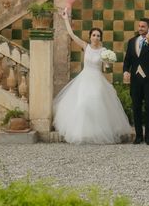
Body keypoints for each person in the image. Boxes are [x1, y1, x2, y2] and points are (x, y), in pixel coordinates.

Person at [53, 8, 131, 144]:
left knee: (96, 103)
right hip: (84, 79)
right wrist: (65, 19)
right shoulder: (85, 46)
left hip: (97, 80)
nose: (96, 37)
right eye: (94, 35)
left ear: (100, 38)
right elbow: (71, 35)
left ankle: (98, 133)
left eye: (98, 36)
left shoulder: (104, 51)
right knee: (83, 103)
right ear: (90, 36)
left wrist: (107, 64)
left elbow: (107, 69)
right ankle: (83, 133)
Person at [123, 18, 149, 145]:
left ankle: (148, 137)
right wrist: (125, 71)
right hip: (135, 79)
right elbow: (127, 59)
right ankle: (138, 136)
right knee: (136, 107)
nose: (140, 28)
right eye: (139, 26)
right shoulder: (131, 41)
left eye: (143, 26)